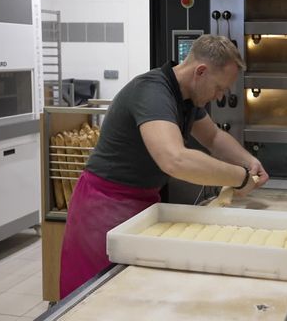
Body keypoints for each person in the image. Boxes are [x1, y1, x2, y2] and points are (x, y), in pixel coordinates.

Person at [59, 34, 269, 299]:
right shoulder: (152, 92)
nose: (219, 97)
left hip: (141, 204)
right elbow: (174, 159)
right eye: (219, 88)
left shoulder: (187, 99)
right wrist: (239, 177)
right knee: (96, 298)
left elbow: (213, 137)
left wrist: (247, 161)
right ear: (200, 72)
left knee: (134, 296)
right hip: (104, 208)